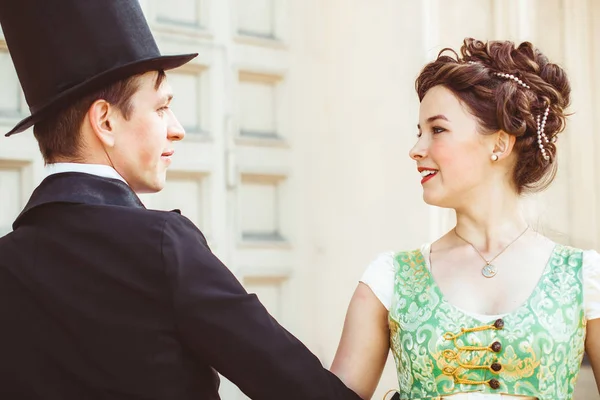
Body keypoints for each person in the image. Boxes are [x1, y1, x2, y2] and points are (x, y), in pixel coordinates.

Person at [0, 1, 362, 399]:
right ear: (104, 121)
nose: (178, 130)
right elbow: (296, 388)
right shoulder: (161, 244)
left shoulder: (7, 261)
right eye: (162, 107)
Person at [330, 38, 600, 400]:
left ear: (499, 144)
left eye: (437, 130)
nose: (416, 149)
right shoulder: (388, 279)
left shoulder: (582, 276)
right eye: (419, 132)